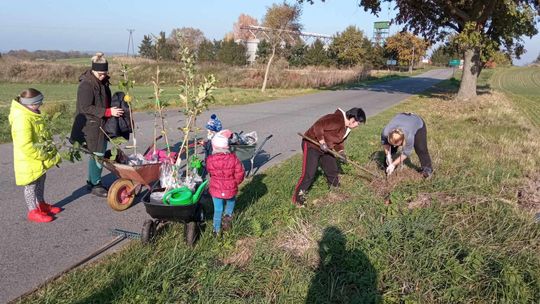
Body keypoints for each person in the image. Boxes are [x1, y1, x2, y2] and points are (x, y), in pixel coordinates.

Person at [70, 52, 124, 197]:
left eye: (105, 73)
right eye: (100, 74)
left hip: (101, 123)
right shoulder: (86, 85)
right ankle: (95, 185)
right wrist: (108, 112)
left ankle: (91, 181)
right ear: (93, 70)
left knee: (97, 153)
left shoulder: (102, 82)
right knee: (98, 154)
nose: (103, 76)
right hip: (90, 125)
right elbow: (85, 108)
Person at [292, 107, 366, 207]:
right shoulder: (336, 119)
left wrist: (341, 152)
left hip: (326, 148)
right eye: (358, 123)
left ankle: (335, 190)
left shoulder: (346, 128)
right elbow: (318, 126)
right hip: (312, 144)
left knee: (332, 169)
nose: (358, 125)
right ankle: (298, 199)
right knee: (309, 173)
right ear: (353, 119)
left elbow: (338, 142)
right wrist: (322, 142)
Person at [9, 88, 62, 222]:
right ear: (32, 104)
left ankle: (42, 205)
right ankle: (32, 211)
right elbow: (26, 145)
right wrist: (44, 155)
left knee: (41, 180)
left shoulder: (34, 113)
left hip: (38, 158)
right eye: (40, 102)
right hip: (29, 159)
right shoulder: (22, 118)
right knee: (31, 185)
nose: (41, 105)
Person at [205, 130, 245, 236]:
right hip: (230, 188)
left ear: (214, 147)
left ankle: (216, 230)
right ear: (226, 147)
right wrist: (235, 183)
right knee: (231, 202)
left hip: (216, 189)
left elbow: (209, 171)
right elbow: (240, 173)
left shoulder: (210, 160)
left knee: (218, 209)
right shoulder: (233, 159)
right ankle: (228, 217)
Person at [381, 112, 433, 178]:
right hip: (402, 117)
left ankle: (427, 169)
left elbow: (405, 153)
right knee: (391, 149)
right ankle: (387, 165)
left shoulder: (409, 137)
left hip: (416, 122)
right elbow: (385, 143)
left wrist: (393, 165)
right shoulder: (385, 132)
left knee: (421, 148)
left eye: (397, 145)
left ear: (403, 140)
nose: (394, 146)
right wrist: (388, 155)